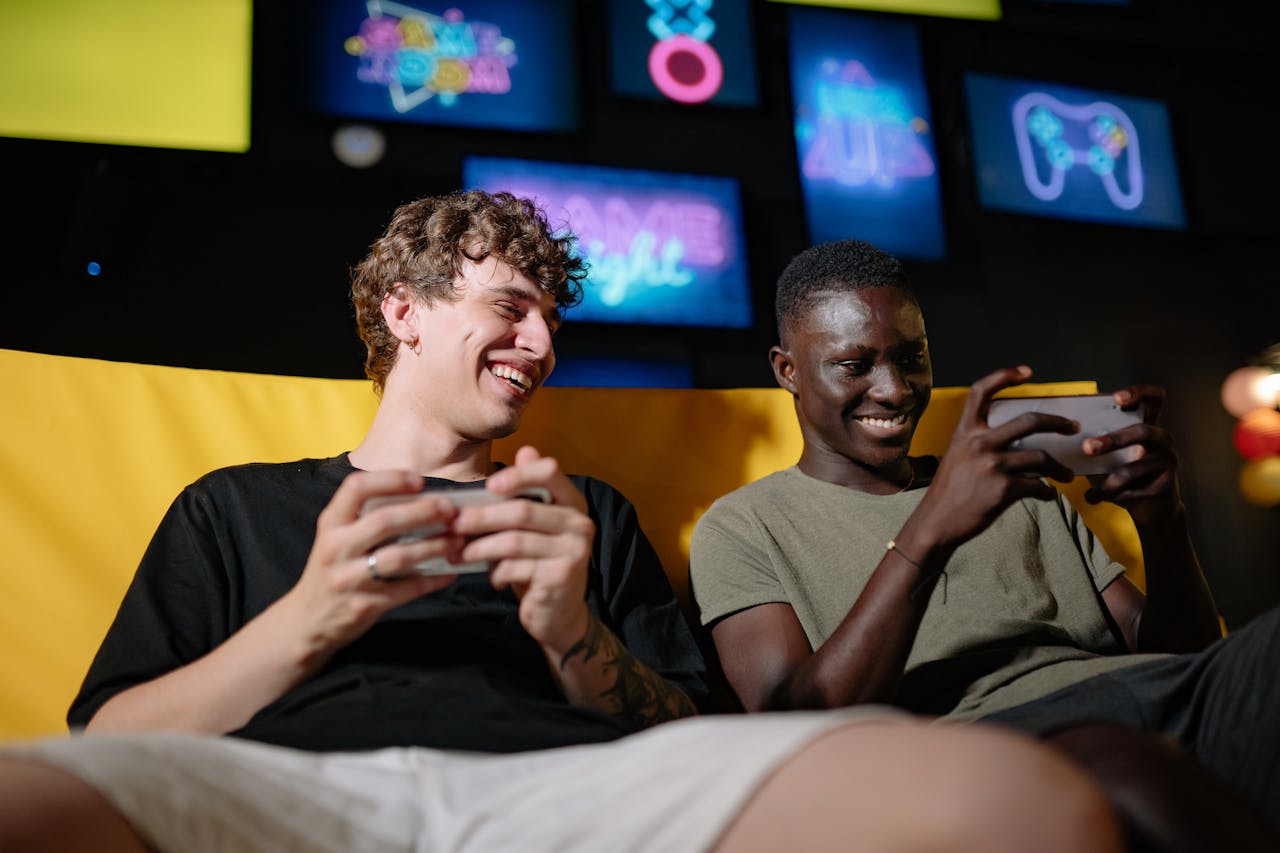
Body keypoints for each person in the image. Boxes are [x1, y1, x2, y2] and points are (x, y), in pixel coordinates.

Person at [0, 193, 1125, 852]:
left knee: (1009, 801)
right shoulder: (236, 506)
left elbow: (692, 732)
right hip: (294, 794)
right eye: (509, 309)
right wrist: (309, 618)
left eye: (549, 319)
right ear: (403, 312)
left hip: (564, 800)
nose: (539, 346)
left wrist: (571, 633)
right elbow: (110, 741)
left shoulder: (583, 519)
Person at [689, 237, 1280, 852]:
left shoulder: (1016, 483)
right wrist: (929, 531)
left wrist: (1163, 522)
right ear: (788, 370)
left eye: (911, 357)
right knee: (1121, 765)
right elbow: (791, 726)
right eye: (854, 365)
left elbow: (1179, 661)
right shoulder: (742, 526)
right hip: (992, 741)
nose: (893, 389)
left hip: (1147, 696)